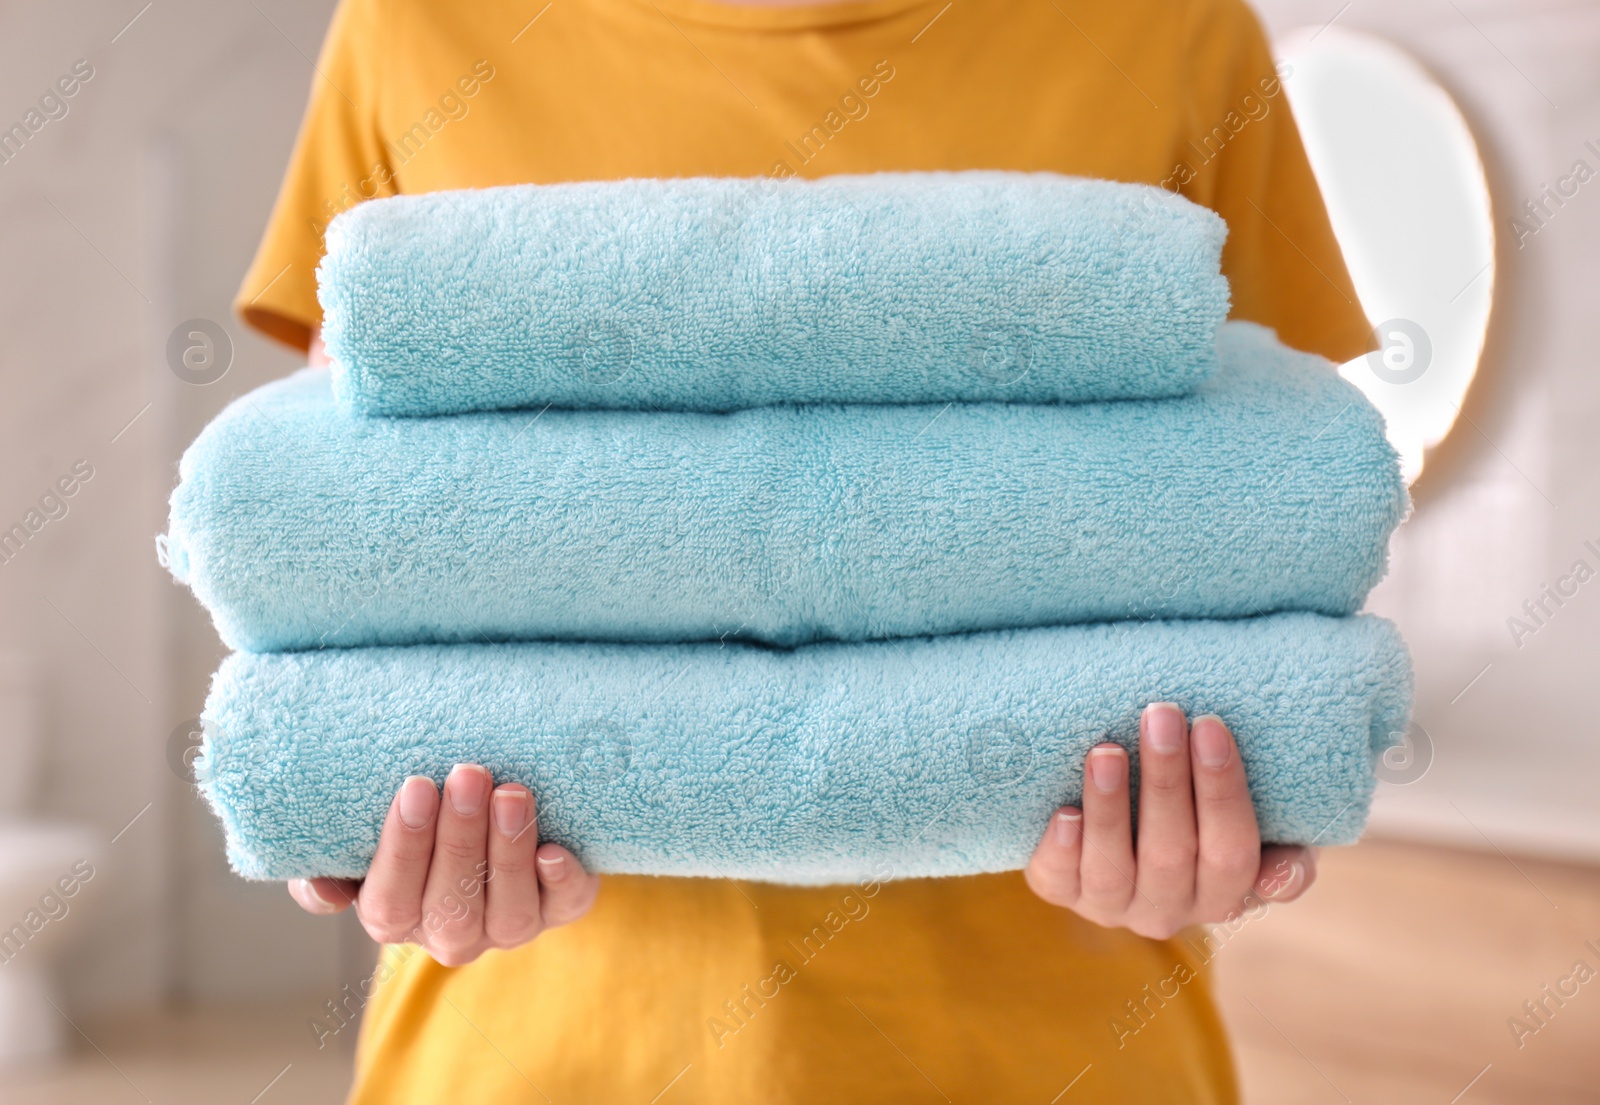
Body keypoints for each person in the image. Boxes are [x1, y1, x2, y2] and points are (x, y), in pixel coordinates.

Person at [238, 0, 1370, 1100]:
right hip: (529, 1066)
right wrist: (348, 800)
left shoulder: (1169, 24)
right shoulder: (415, 22)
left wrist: (1228, 820)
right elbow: (347, 532)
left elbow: (1274, 496)